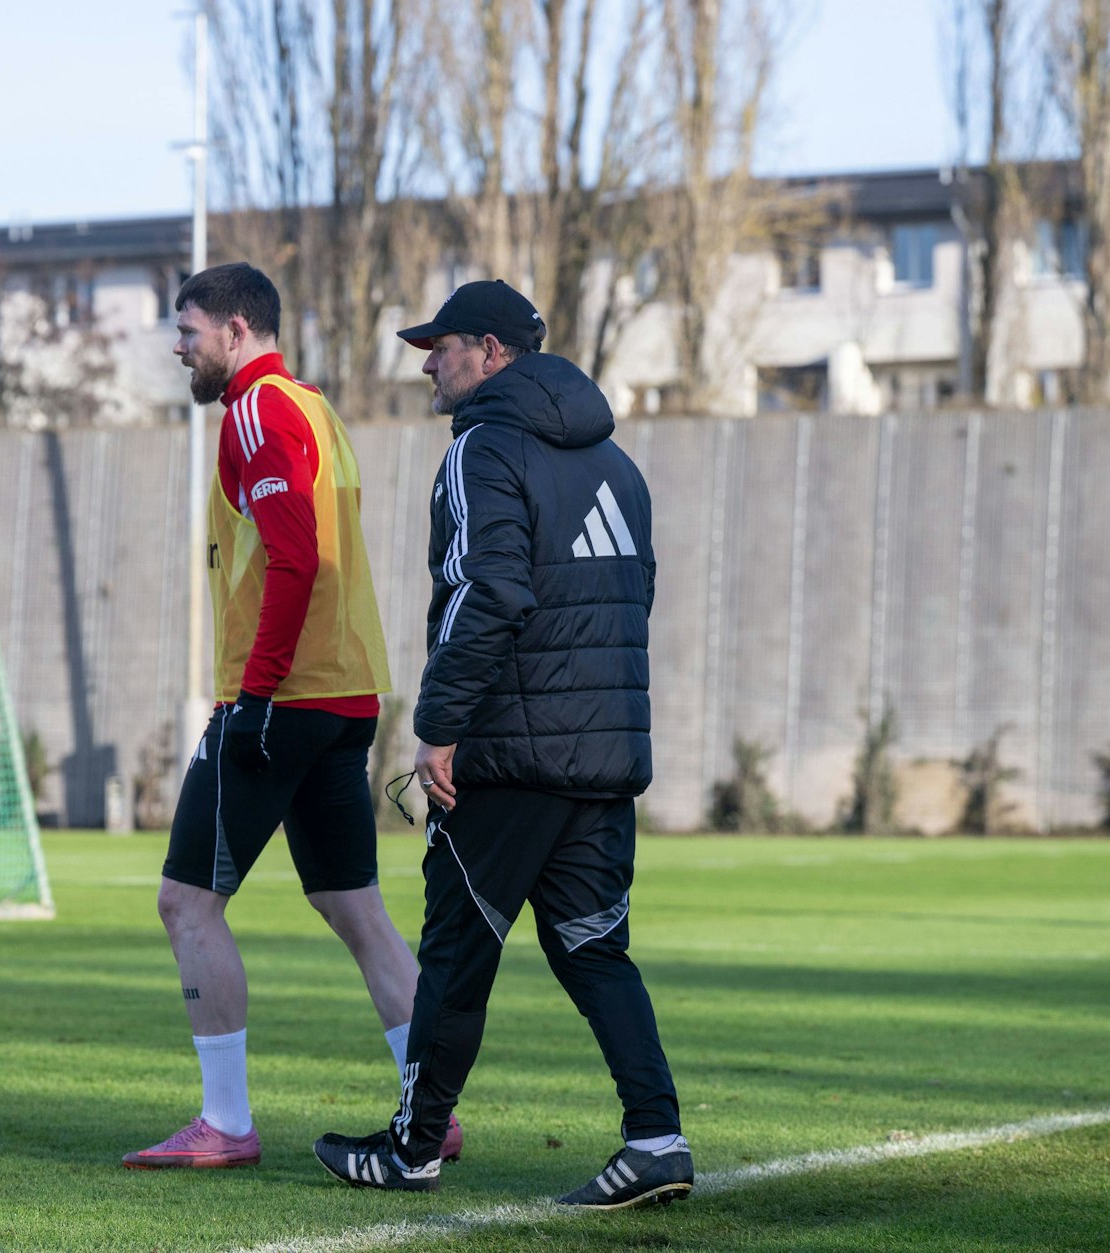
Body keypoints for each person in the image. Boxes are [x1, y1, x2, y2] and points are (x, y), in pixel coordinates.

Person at [311, 280, 689, 1208]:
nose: (428, 364)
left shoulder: (483, 449)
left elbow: (489, 595)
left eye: (439, 347)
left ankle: (412, 1148)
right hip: (603, 753)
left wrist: (437, 726)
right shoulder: (616, 461)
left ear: (490, 350)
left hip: (509, 754)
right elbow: (634, 595)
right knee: (596, 952)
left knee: (456, 955)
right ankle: (658, 1140)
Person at [124, 262, 462, 1170]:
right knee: (354, 905)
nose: (179, 346)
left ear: (237, 331)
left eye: (189, 330)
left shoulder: (256, 410)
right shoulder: (312, 408)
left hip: (285, 700)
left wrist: (258, 694)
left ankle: (226, 1122)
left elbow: (296, 559)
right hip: (345, 695)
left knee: (186, 903)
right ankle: (431, 1108)